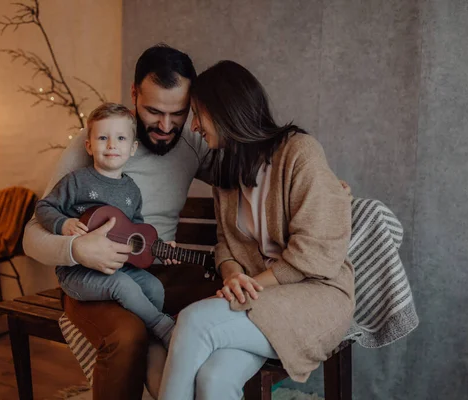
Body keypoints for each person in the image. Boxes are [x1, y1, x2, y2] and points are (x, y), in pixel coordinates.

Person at [22, 44, 222, 400]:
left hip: (154, 269)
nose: (165, 126)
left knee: (224, 310)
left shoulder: (192, 142)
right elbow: (32, 234)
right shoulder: (99, 142)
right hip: (93, 279)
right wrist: (77, 249)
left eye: (177, 113)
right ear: (133, 94)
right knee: (128, 337)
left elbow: (244, 170)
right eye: (153, 111)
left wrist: (318, 185)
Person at [158, 60, 355, 400]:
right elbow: (225, 245)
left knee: (193, 322)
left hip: (316, 297)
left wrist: (245, 287)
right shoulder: (228, 171)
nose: (193, 126)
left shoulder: (299, 152)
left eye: (198, 114)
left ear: (226, 111)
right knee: (213, 378)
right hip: (259, 300)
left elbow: (318, 252)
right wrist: (233, 274)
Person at [34, 102, 176, 349]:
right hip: (78, 273)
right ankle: (164, 328)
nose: (111, 145)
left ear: (132, 149)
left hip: (119, 267)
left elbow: (136, 232)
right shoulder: (76, 181)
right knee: (121, 285)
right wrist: (64, 224)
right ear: (89, 145)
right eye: (102, 137)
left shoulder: (131, 189)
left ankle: (148, 341)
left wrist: (157, 249)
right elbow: (43, 208)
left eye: (120, 138)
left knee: (154, 287)